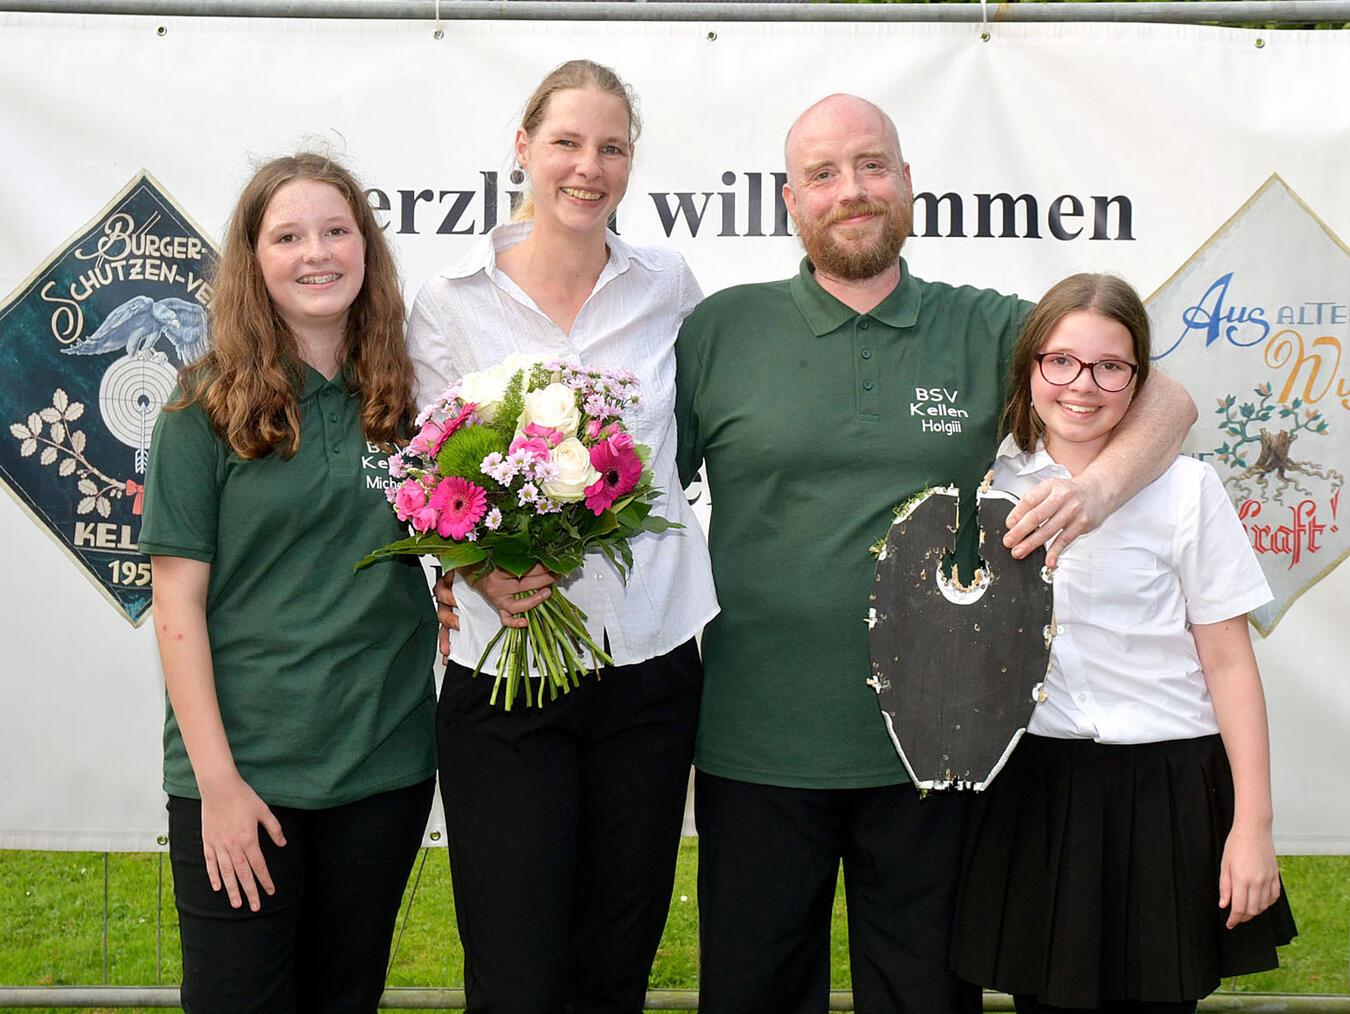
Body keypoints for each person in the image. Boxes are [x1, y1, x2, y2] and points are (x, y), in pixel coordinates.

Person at [673, 94, 1199, 1014]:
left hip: (940, 744)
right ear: (790, 200)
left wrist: (1094, 492)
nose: (852, 190)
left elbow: (1166, 396)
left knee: (924, 998)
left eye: (872, 165)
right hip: (757, 744)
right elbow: (636, 496)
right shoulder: (721, 330)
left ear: (909, 182)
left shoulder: (988, 329)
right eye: (823, 174)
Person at [410, 60, 717, 1013]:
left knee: (615, 965)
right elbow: (424, 476)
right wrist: (473, 569)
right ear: (523, 148)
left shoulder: (669, 286)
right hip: (506, 670)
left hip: (650, 665)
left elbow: (694, 439)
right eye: (568, 143)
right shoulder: (450, 302)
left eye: (612, 148)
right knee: (516, 972)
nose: (590, 167)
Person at [950, 273, 1296, 1013]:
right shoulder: (989, 482)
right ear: (1030, 367)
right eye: (1061, 361)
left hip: (1166, 789)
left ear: (1139, 378)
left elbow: (1230, 662)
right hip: (1038, 789)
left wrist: (1253, 826)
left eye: (1110, 366)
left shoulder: (1187, 489)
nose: (1083, 385)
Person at [140, 153, 437, 1013]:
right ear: (253, 260)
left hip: (381, 766)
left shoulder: (408, 400)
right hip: (245, 772)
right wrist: (218, 786)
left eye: (336, 231)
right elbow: (177, 606)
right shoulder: (203, 408)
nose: (317, 253)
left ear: (366, 248)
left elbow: (446, 536)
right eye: (288, 236)